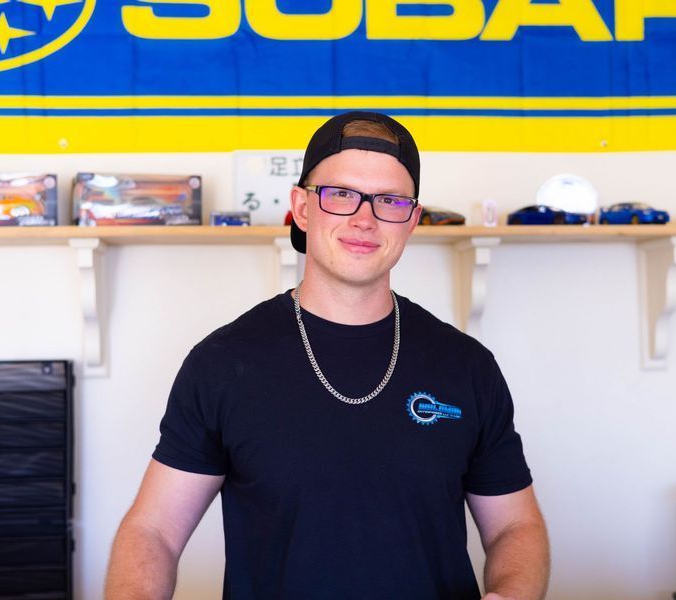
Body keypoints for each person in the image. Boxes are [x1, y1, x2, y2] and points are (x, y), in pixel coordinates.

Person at [105, 111, 550, 600]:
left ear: (412, 220)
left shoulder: (467, 366)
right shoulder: (222, 364)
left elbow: (515, 526)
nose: (365, 218)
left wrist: (511, 594)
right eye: (341, 195)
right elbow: (154, 531)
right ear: (302, 207)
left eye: (390, 200)